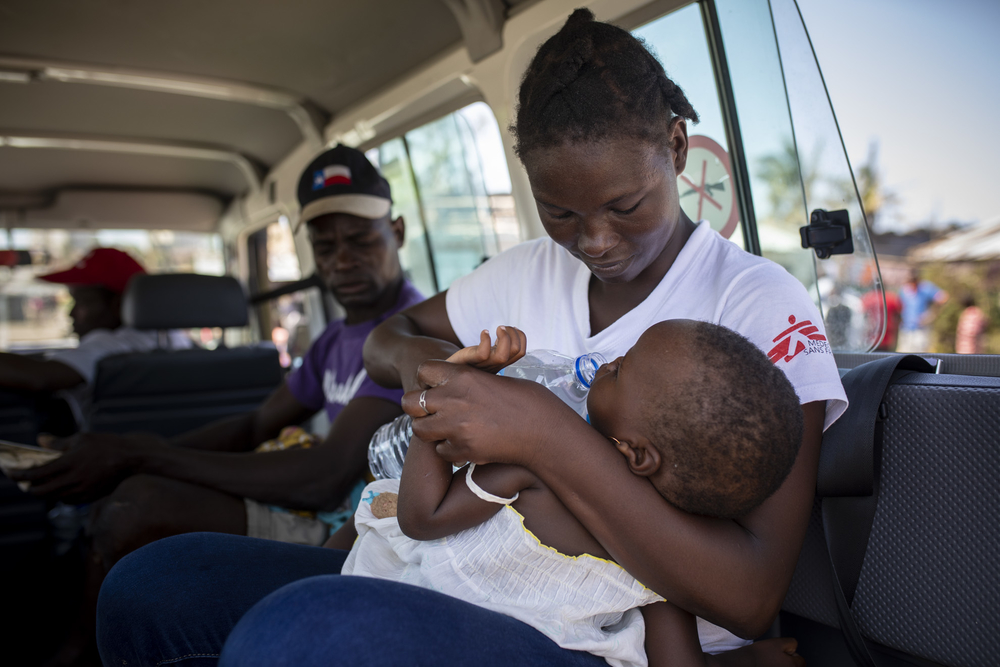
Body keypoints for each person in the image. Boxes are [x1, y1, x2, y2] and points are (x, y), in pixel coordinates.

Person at [95, 10, 847, 666]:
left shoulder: (756, 303)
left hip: (602, 633)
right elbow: (386, 339)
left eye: (626, 204)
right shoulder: (525, 272)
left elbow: (749, 595)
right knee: (151, 584)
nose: (593, 241)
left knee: (307, 633)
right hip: (447, 571)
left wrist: (543, 430)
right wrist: (448, 378)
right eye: (558, 212)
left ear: (677, 151)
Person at [13, 144, 423, 666]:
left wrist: (139, 455)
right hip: (314, 506)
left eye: (362, 240)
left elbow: (322, 475)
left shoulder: (410, 336)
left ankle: (77, 655)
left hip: (356, 526)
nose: (342, 260)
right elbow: (256, 422)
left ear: (400, 233)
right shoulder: (334, 339)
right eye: (324, 246)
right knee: (129, 494)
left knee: (135, 507)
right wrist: (129, 452)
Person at [344, 321, 806, 667]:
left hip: (421, 616)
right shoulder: (661, 571)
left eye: (622, 370)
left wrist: (443, 405)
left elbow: (422, 519)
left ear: (637, 452)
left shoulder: (530, 471)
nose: (608, 362)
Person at [0, 247, 191, 425]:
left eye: (82, 302)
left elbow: (39, 377)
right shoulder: (178, 340)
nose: (72, 313)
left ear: (118, 305)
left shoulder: (114, 344)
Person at [898, 268, 948, 352]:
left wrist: (931, 313)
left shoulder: (925, 288)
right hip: (906, 329)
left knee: (920, 354)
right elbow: (900, 305)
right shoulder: (904, 290)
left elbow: (943, 298)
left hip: (921, 329)